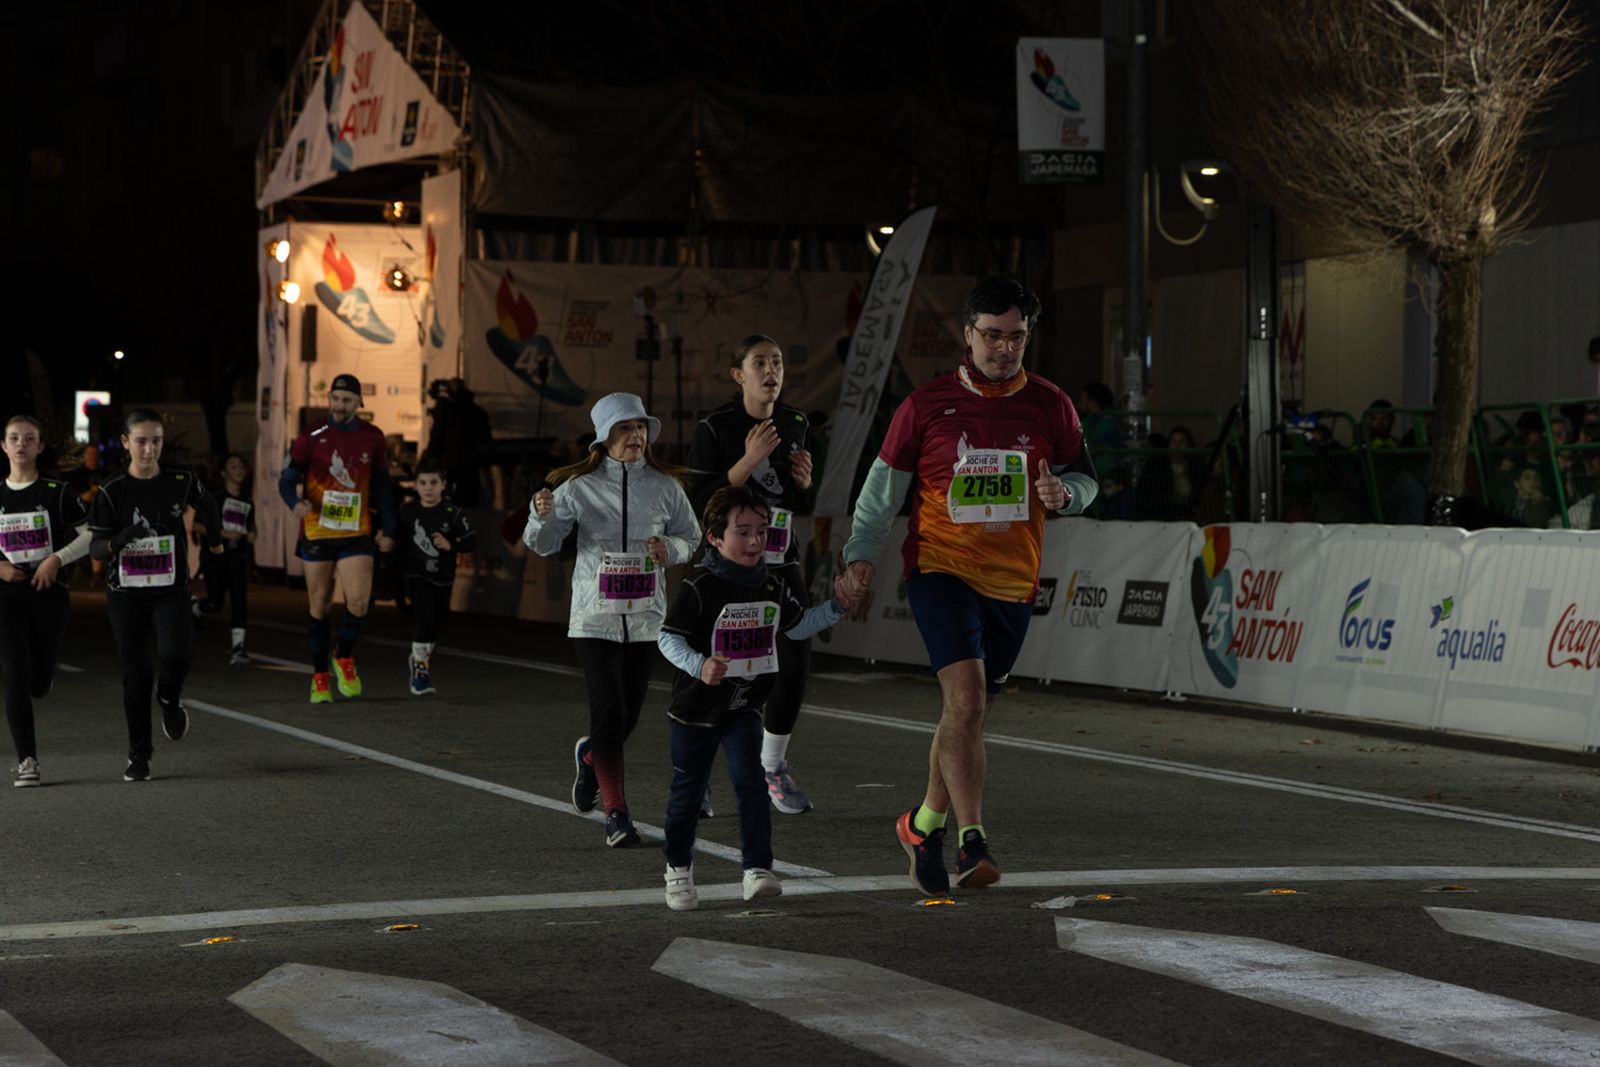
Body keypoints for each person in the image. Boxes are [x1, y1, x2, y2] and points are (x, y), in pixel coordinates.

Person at [838, 274, 1098, 894]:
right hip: (940, 570)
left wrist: (1065, 494)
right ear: (967, 334)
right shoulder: (925, 404)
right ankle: (971, 841)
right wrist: (860, 556)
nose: (1004, 348)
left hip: (1013, 583)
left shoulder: (1051, 404)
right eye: (992, 335)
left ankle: (921, 824)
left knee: (965, 715)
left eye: (1016, 337)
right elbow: (880, 494)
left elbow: (1086, 481)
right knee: (969, 701)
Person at [655, 485, 858, 911]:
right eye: (742, 531)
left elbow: (798, 626)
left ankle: (757, 869)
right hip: (695, 710)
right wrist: (699, 665)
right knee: (688, 793)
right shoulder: (699, 585)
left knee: (751, 783)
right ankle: (678, 870)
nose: (754, 541)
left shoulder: (771, 584)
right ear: (714, 537)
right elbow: (668, 638)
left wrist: (837, 607)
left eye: (762, 531)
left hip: (744, 706)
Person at [524, 392, 700, 848]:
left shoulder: (665, 487)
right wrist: (540, 517)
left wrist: (669, 550)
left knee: (628, 717)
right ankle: (616, 814)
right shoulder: (577, 487)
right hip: (594, 618)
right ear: (604, 437)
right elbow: (543, 544)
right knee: (610, 712)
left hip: (645, 618)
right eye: (625, 428)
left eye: (640, 427)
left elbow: (692, 537)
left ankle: (590, 759)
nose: (636, 435)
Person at [686, 334, 818, 815]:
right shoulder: (715, 426)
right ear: (738, 375)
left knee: (794, 661)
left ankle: (773, 767)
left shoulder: (796, 422)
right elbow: (699, 502)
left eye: (777, 362)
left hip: (780, 561)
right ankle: (696, 772)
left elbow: (794, 500)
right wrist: (747, 461)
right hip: (725, 565)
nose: (771, 371)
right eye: (759, 363)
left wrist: (804, 482)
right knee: (718, 669)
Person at [89, 409, 223, 782]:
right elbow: (96, 547)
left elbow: (209, 504)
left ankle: (169, 696)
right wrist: (118, 541)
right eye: (142, 441)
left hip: (170, 588)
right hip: (126, 594)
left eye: (156, 441)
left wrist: (214, 542)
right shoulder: (111, 490)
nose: (149, 449)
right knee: (137, 675)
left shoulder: (180, 480)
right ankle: (139, 756)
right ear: (126, 442)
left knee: (177, 654)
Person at [278, 374, 395, 703]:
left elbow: (383, 485)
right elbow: (286, 479)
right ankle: (319, 677)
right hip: (317, 530)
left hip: (356, 531)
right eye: (336, 399)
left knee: (358, 602)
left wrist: (389, 527)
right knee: (320, 604)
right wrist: (294, 503)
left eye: (347, 400)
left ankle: (343, 656)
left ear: (359, 403)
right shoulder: (311, 436)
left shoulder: (373, 437)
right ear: (329, 399)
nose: (340, 406)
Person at [1, 415, 93, 787]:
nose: (21, 444)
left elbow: (92, 535)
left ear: (39, 446)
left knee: (37, 681)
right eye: (13, 438)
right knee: (14, 672)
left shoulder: (57, 491)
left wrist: (57, 559)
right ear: (3, 446)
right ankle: (28, 760)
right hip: (6, 596)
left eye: (29, 438)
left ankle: (43, 679)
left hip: (48, 595)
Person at [398, 456, 476, 695]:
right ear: (415, 485)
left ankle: (419, 656)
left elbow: (472, 542)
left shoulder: (452, 512)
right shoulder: (408, 510)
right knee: (425, 617)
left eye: (433, 483)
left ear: (443, 484)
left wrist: (451, 545)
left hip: (443, 575)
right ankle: (420, 673)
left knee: (437, 620)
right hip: (415, 573)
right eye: (423, 483)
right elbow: (397, 537)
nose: (428, 488)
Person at [200, 453, 255, 666]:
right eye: (233, 466)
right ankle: (195, 608)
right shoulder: (215, 498)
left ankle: (238, 648)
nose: (238, 469)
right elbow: (196, 525)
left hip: (237, 557)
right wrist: (222, 532)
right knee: (215, 603)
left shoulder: (248, 500)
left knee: (239, 600)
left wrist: (252, 534)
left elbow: (250, 527)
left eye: (241, 465)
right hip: (215, 557)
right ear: (223, 473)